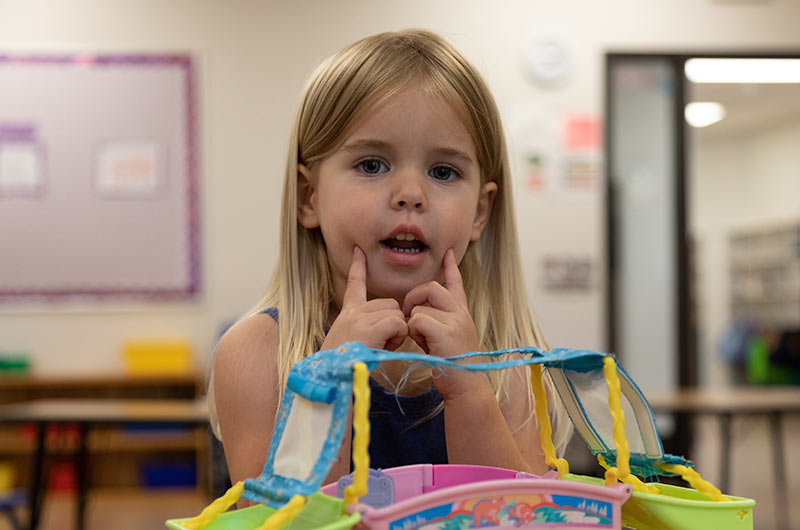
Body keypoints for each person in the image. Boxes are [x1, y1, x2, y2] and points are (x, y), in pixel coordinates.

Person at [210, 29, 571, 497]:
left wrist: (469, 390)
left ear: (480, 212)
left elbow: (522, 518)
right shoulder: (259, 355)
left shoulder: (509, 360)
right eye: (372, 165)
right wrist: (329, 385)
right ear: (309, 197)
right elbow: (287, 521)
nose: (410, 194)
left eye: (443, 172)